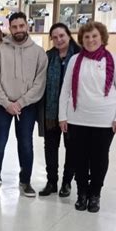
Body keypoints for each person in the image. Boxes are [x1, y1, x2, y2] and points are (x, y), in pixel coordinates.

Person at [0, 11, 48, 197]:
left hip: (27, 106)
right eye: (14, 26)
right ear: (9, 28)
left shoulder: (38, 53)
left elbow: (39, 84)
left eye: (21, 26)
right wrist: (6, 103)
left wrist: (20, 102)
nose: (18, 30)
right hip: (3, 106)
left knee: (26, 143)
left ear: (27, 25)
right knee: (0, 143)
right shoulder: (0, 51)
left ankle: (25, 181)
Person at [59, 21, 116, 213]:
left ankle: (95, 194)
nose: (91, 40)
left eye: (94, 36)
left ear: (102, 38)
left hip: (104, 119)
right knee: (79, 158)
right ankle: (82, 192)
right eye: (86, 37)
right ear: (82, 40)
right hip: (77, 118)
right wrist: (62, 116)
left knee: (100, 158)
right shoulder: (75, 60)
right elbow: (65, 90)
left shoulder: (113, 60)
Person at [39, 23, 80, 198]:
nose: (58, 40)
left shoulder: (79, 56)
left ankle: (66, 182)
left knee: (71, 148)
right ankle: (51, 182)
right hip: (51, 112)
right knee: (50, 147)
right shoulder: (48, 57)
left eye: (61, 35)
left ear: (69, 35)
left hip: (73, 113)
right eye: (54, 37)